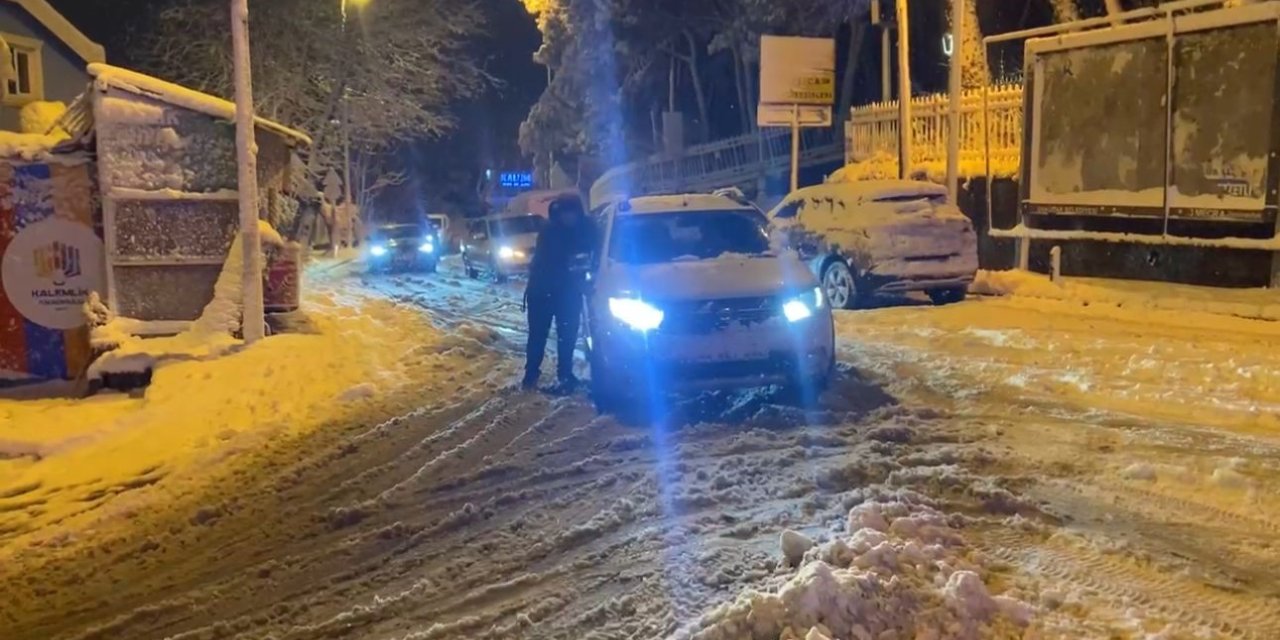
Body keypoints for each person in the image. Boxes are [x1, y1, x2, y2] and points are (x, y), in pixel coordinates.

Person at [522, 195, 595, 391]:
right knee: (538, 335)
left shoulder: (587, 229)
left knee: (568, 335)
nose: (568, 218)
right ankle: (530, 375)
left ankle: (565, 374)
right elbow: (553, 263)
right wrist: (578, 279)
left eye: (572, 213)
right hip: (542, 291)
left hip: (569, 293)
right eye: (564, 213)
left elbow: (592, 254)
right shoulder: (550, 232)